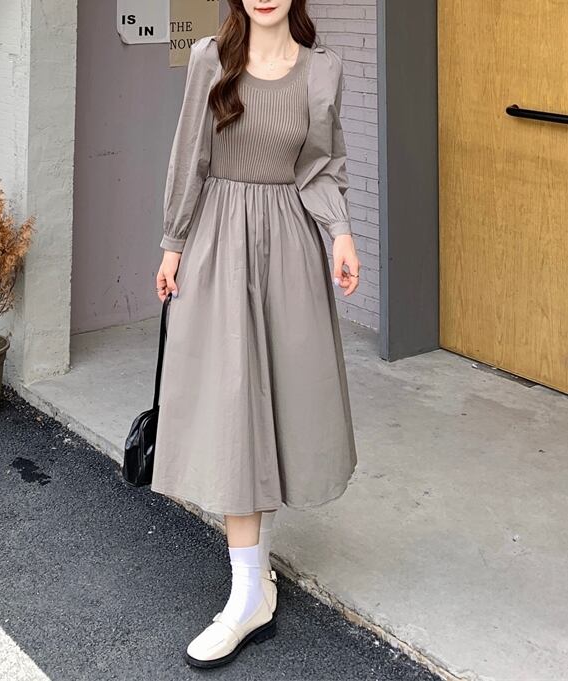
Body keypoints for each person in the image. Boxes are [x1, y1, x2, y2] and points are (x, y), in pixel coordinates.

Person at [151, 0, 359, 668]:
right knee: (233, 408)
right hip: (218, 243)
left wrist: (340, 233)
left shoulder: (322, 71)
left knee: (283, 407)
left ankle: (256, 579)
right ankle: (246, 592)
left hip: (290, 248)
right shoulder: (211, 60)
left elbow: (320, 166)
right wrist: (173, 242)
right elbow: (190, 157)